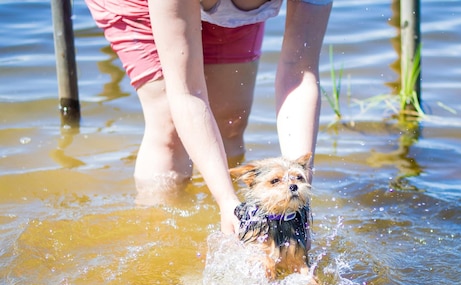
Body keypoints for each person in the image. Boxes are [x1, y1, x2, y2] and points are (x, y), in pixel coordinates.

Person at [84, 0, 333, 234]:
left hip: (229, 11)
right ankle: (160, 240)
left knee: (231, 120)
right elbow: (187, 92)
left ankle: (237, 226)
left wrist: (299, 200)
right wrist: (226, 200)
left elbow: (299, 73)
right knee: (169, 125)